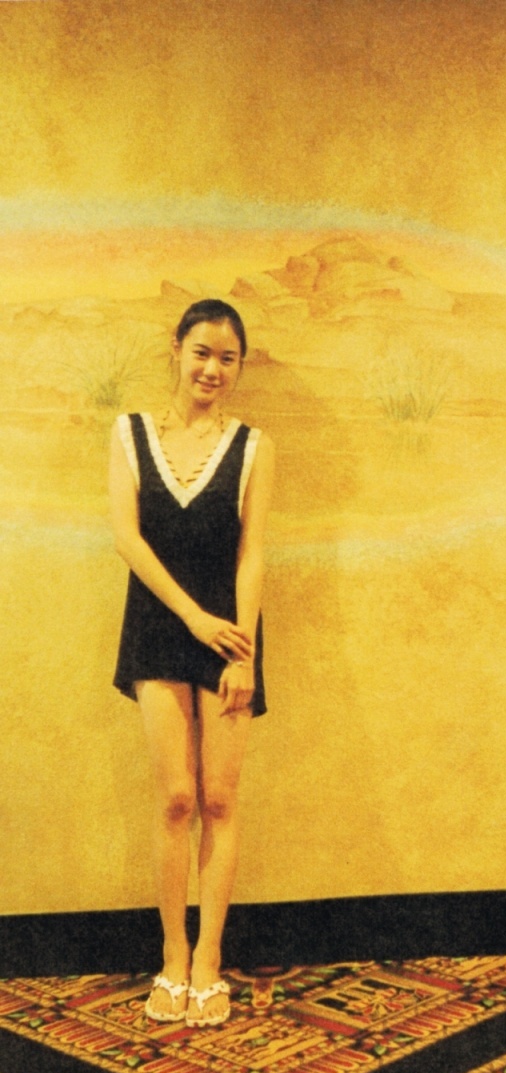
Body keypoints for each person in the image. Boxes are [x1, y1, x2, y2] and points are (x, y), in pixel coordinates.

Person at [109, 299, 274, 1028]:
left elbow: (252, 554)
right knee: (176, 798)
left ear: (240, 366)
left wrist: (243, 651)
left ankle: (209, 960)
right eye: (202, 351)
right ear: (175, 348)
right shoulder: (130, 434)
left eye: (227, 358)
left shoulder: (253, 447)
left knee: (220, 801)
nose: (213, 368)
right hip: (159, 626)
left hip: (229, 636)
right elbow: (128, 540)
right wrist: (191, 618)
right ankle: (172, 956)